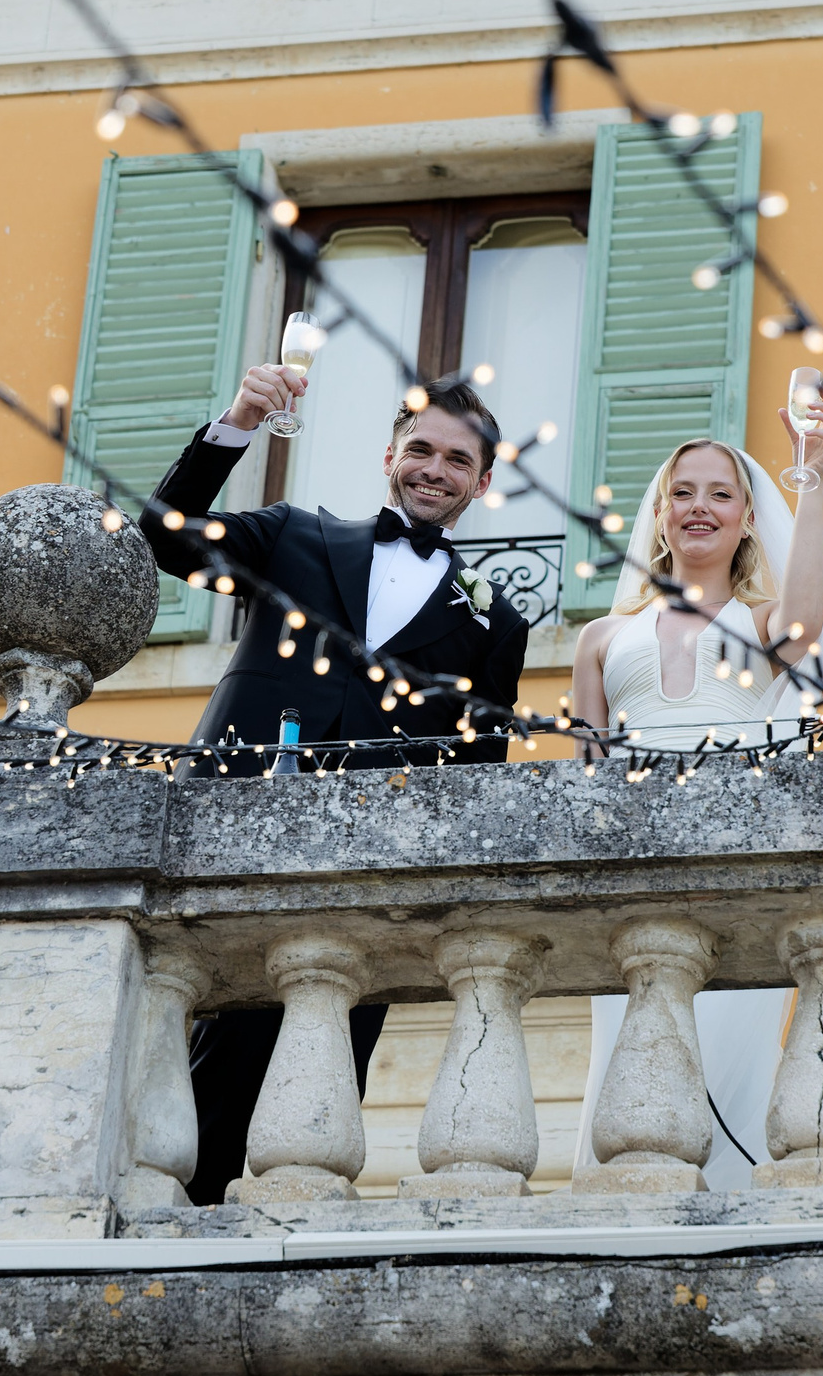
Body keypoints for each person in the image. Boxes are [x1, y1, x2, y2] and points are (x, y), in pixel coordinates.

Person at [140, 362, 533, 1203]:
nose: (434, 469)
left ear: (482, 483)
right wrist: (239, 421)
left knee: (316, 1107)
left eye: (457, 460)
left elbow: (477, 780)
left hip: (370, 883)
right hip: (234, 837)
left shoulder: (497, 621)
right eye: (420, 449)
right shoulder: (296, 535)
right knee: (182, 1079)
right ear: (389, 456)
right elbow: (165, 536)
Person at [565, 386, 823, 1189]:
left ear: (746, 519)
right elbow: (585, 778)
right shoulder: (600, 640)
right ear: (660, 515)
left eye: (720, 494)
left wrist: (812, 480)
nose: (699, 507)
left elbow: (806, 619)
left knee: (730, 1058)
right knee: (631, 1062)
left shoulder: (760, 624)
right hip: (633, 877)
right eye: (682, 492)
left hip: (733, 873)